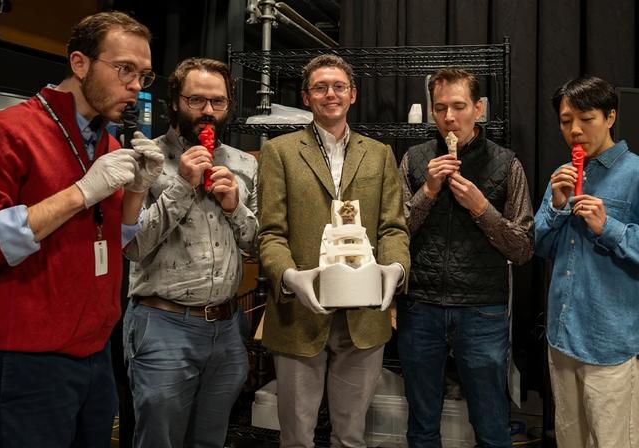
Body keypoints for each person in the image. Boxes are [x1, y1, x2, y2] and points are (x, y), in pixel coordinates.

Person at [0, 11, 163, 447]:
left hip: (95, 356)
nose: (136, 86)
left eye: (144, 75)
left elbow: (106, 242)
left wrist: (136, 192)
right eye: (125, 70)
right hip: (24, 364)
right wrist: (80, 192)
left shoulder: (108, 142)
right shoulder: (8, 132)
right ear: (79, 64)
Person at [535, 75, 639, 448]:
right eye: (565, 121)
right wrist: (557, 207)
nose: (574, 130)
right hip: (562, 339)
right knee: (569, 440)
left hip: (613, 343)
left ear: (610, 117)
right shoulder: (563, 176)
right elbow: (540, 247)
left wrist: (609, 228)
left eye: (586, 118)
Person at [257, 54, 410, 448]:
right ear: (306, 97)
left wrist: (395, 268)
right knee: (296, 437)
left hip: (363, 318)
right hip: (299, 315)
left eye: (339, 86)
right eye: (320, 87)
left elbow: (393, 226)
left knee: (351, 437)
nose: (331, 94)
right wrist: (290, 276)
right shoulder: (279, 153)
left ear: (353, 94)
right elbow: (270, 233)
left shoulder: (379, 154)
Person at [122, 57, 257, 448]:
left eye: (218, 101)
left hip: (227, 328)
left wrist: (235, 206)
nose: (209, 112)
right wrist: (181, 185)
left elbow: (258, 243)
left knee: (211, 438)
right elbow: (133, 246)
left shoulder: (243, 163)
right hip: (163, 323)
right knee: (159, 439)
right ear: (174, 103)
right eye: (197, 100)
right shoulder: (143, 159)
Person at [397, 68, 534, 448]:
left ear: (479, 108)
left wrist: (480, 207)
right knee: (422, 424)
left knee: (491, 425)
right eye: (440, 108)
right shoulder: (414, 159)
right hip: (420, 306)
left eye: (459, 107)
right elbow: (393, 235)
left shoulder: (508, 164)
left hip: (483, 311)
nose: (449, 118)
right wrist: (428, 189)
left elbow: (522, 248)